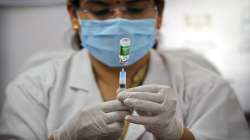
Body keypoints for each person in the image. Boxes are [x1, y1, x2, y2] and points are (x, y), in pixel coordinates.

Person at [0, 0, 249, 140]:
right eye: (100, 11)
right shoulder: (32, 88)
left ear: (158, 13)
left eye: (135, 9)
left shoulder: (207, 87)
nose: (119, 22)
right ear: (73, 15)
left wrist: (178, 136)